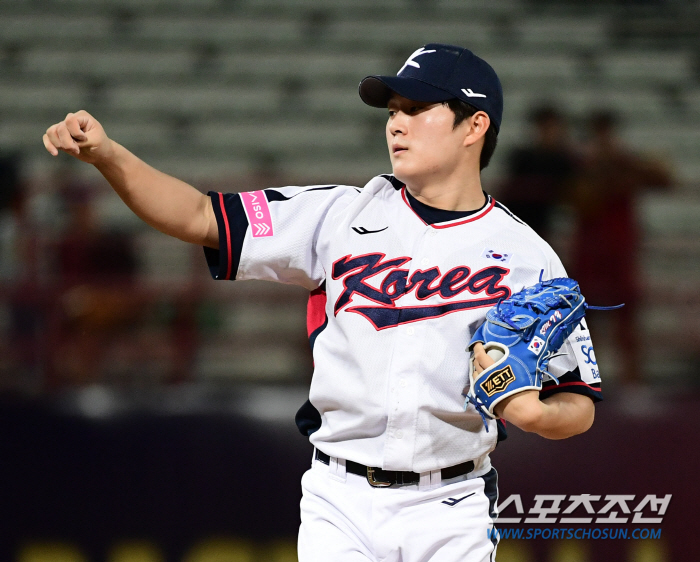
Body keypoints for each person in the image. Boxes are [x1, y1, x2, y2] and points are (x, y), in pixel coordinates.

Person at [43, 43, 602, 562]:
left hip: (452, 506)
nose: (396, 123)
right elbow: (197, 215)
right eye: (391, 111)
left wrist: (536, 414)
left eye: (417, 108)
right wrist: (109, 155)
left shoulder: (528, 257)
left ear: (474, 126)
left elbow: (579, 401)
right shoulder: (339, 216)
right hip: (342, 499)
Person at [569, 110, 672, 386]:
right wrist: (605, 177)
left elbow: (665, 178)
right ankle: (588, 382)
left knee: (626, 318)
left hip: (620, 250)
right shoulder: (580, 166)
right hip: (590, 251)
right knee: (585, 320)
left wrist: (626, 167)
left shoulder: (625, 162)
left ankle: (632, 381)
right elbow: (582, 202)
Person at [498, 105, 577, 241]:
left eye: (552, 127)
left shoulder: (567, 161)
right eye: (544, 127)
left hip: (555, 227)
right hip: (524, 226)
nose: (548, 132)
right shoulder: (522, 158)